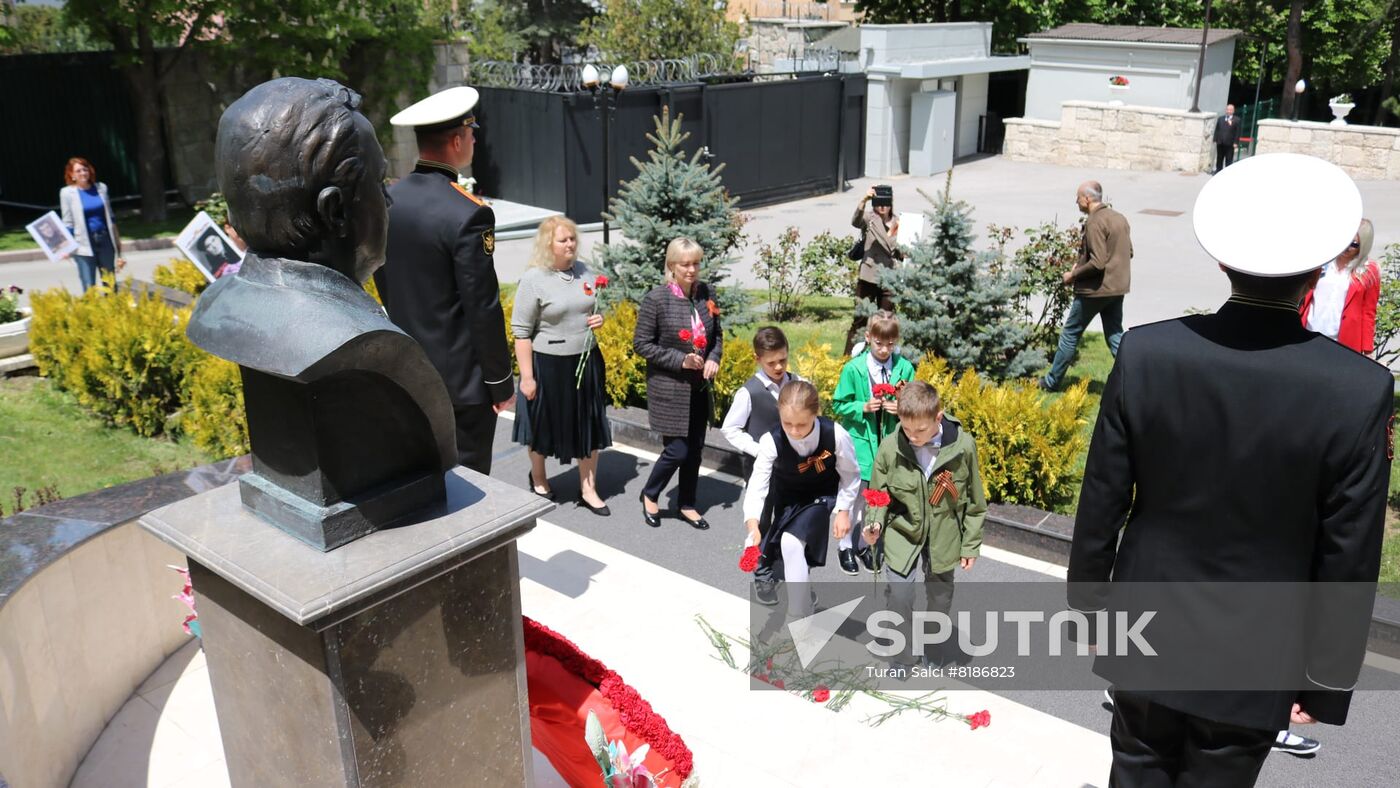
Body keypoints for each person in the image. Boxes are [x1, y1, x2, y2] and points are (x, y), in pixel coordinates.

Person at [1068, 153, 1392, 786]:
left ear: (1221, 260)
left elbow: (1102, 497)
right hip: (1259, 648)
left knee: (1133, 772)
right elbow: (1349, 547)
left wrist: (1089, 609)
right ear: (1321, 267)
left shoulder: (1149, 354)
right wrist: (1324, 680)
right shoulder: (1357, 388)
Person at [376, 86, 515, 474]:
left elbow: (384, 280)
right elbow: (482, 307)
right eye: (472, 133)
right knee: (466, 486)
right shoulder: (468, 213)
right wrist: (501, 382)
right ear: (456, 141)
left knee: (419, 479)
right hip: (461, 387)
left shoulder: (389, 201)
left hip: (406, 371)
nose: (474, 140)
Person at [862, 380, 987, 666]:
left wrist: (970, 546)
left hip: (944, 535)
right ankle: (903, 657)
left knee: (940, 599)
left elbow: (975, 503)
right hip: (903, 531)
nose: (913, 437)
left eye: (920, 430)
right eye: (907, 429)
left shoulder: (963, 448)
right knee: (900, 596)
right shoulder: (891, 447)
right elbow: (878, 494)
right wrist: (875, 524)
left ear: (938, 418)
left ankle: (933, 646)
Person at [510, 216, 612, 516]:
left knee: (588, 424)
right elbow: (521, 333)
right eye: (563, 240)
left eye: (572, 239)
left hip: (586, 360)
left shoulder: (585, 273)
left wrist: (599, 318)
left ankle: (588, 488)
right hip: (548, 364)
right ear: (548, 244)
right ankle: (539, 477)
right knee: (543, 425)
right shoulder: (534, 279)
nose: (571, 244)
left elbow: (592, 308)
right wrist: (527, 378)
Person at [743, 380, 860, 612]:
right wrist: (753, 524)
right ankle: (804, 595)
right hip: (787, 497)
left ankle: (798, 613)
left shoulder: (836, 435)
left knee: (791, 541)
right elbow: (758, 484)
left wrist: (844, 511)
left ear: (815, 413)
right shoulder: (771, 440)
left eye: (802, 424)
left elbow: (851, 474)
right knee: (792, 549)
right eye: (788, 424)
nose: (795, 432)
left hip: (821, 496)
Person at [633, 237, 724, 530]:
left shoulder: (705, 293)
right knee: (677, 451)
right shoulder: (656, 299)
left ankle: (687, 503)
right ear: (672, 265)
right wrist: (680, 360)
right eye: (685, 264)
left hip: (699, 387)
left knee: (695, 450)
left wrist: (713, 358)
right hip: (670, 388)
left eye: (696, 263)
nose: (692, 269)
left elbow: (717, 334)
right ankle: (650, 493)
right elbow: (642, 344)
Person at [831, 310, 916, 575]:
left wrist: (900, 408)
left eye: (890, 344)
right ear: (868, 338)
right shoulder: (854, 369)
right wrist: (862, 406)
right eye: (878, 343)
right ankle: (845, 546)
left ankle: (862, 545)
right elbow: (838, 404)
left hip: (888, 446)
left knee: (875, 500)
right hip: (859, 445)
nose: (884, 350)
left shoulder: (904, 368)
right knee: (854, 496)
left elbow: (914, 403)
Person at [1040, 181, 1132, 392]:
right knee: (1115, 335)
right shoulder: (1119, 218)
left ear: (1088, 199)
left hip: (1094, 291)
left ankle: (1052, 382)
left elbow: (1098, 262)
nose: (1076, 200)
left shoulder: (1094, 222)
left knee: (1070, 334)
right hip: (1117, 288)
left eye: (1078, 197)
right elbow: (1128, 252)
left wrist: (1073, 274)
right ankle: (1133, 378)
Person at [719, 326, 800, 468]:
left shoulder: (800, 383)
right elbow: (730, 429)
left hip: (794, 467)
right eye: (771, 363)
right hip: (760, 469)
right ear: (757, 359)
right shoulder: (749, 392)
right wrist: (758, 450)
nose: (779, 367)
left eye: (782, 360)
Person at [1299, 218, 1381, 355]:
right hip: (1309, 330)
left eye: (1354, 244)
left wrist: (1367, 349)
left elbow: (1369, 312)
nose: (1348, 247)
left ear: (1363, 246)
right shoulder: (1321, 261)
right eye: (1346, 240)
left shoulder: (1369, 271)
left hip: (1343, 339)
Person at [845, 185, 902, 354]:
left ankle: (882, 354)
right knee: (860, 319)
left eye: (885, 203)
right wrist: (864, 199)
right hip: (869, 275)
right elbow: (855, 220)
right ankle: (848, 356)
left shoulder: (897, 223)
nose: (882, 207)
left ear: (891, 203)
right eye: (878, 203)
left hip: (888, 277)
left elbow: (900, 249)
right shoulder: (869, 218)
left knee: (885, 320)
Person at [58, 157, 126, 292]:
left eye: (85, 169)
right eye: (78, 171)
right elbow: (68, 222)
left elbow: (111, 218)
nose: (83, 173)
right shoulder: (67, 193)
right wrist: (64, 247)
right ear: (71, 175)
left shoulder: (101, 188)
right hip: (83, 243)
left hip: (105, 240)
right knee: (89, 285)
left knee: (110, 283)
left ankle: (113, 310)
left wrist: (118, 246)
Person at [1214, 104, 1243, 173]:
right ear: (1226, 110)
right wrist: (1215, 139)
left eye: (1231, 110)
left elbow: (1238, 132)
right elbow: (1217, 129)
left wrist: (1236, 142)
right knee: (1219, 158)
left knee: (1229, 159)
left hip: (1230, 143)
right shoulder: (1220, 118)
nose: (1229, 111)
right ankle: (1218, 170)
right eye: (1228, 109)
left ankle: (1227, 172)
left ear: (1233, 111)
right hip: (1220, 142)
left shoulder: (1237, 120)